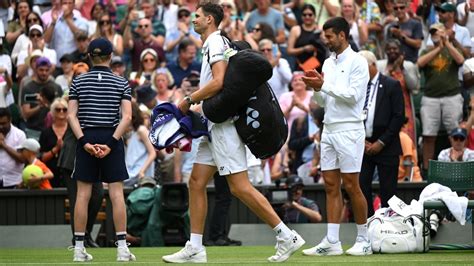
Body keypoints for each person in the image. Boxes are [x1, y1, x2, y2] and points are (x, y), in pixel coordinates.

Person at [162, 3, 305, 263]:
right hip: (212, 126)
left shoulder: (215, 42)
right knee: (195, 183)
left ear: (208, 19)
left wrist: (188, 99)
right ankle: (195, 247)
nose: (193, 20)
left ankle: (286, 235)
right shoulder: (213, 43)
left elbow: (218, 82)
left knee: (240, 188)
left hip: (224, 128)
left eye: (196, 16)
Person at [301, 16, 372, 256]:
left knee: (352, 185)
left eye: (329, 36)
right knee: (331, 185)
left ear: (342, 35)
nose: (326, 40)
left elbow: (353, 96)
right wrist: (316, 88)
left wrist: (324, 86)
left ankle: (364, 240)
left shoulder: (359, 61)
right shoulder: (328, 63)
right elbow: (324, 100)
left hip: (350, 129)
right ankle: (332, 241)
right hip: (329, 129)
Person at [67, 37, 135, 262]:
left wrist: (84, 142)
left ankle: (78, 249)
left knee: (83, 195)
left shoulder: (78, 82)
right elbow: (127, 117)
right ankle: (123, 249)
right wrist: (112, 143)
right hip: (111, 137)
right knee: (116, 194)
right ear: (111, 56)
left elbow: (71, 116)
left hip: (86, 136)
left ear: (89, 56)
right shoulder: (121, 82)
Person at [358, 50, 405, 217]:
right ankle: (368, 223)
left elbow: (399, 117)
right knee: (361, 186)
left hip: (387, 145)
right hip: (362, 145)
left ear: (373, 65)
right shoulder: (356, 87)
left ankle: (389, 224)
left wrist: (381, 142)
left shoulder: (391, 84)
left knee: (388, 190)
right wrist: (361, 141)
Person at [417, 23, 464, 176]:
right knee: (428, 135)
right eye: (433, 33)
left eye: (438, 32)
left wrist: (447, 43)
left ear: (444, 32)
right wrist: (438, 48)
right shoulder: (427, 50)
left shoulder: (451, 49)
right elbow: (420, 63)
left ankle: (456, 165)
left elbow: (460, 60)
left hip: (452, 96)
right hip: (431, 98)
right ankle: (427, 171)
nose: (435, 35)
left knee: (454, 134)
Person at [0, 107, 26, 189]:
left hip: (13, 181)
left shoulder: (19, 135)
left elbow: (22, 159)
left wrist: (4, 145)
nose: (1, 127)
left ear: (10, 120)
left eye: (4, 123)